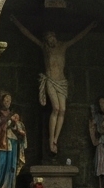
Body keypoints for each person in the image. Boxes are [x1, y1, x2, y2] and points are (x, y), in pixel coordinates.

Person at [11, 16, 96, 154]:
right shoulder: (45, 48)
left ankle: (56, 138)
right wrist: (16, 22)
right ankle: (51, 139)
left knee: (63, 110)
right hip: (50, 80)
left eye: (52, 38)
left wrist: (90, 27)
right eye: (48, 39)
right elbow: (29, 35)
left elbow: (77, 37)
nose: (51, 41)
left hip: (62, 82)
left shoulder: (63, 46)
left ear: (54, 37)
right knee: (55, 108)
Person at [0, 92, 27, 188]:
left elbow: (18, 130)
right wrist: (9, 121)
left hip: (12, 141)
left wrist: (17, 126)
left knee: (11, 167)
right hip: (2, 142)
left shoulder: (13, 114)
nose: (7, 102)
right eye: (5, 100)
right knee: (1, 165)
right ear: (1, 101)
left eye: (9, 101)